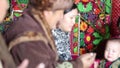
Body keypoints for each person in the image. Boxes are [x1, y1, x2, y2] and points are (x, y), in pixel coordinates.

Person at [3, 0, 96, 68]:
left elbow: (50, 63)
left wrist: (78, 62)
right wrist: (79, 64)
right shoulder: (29, 37)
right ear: (48, 12)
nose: (60, 17)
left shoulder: (33, 25)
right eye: (60, 12)